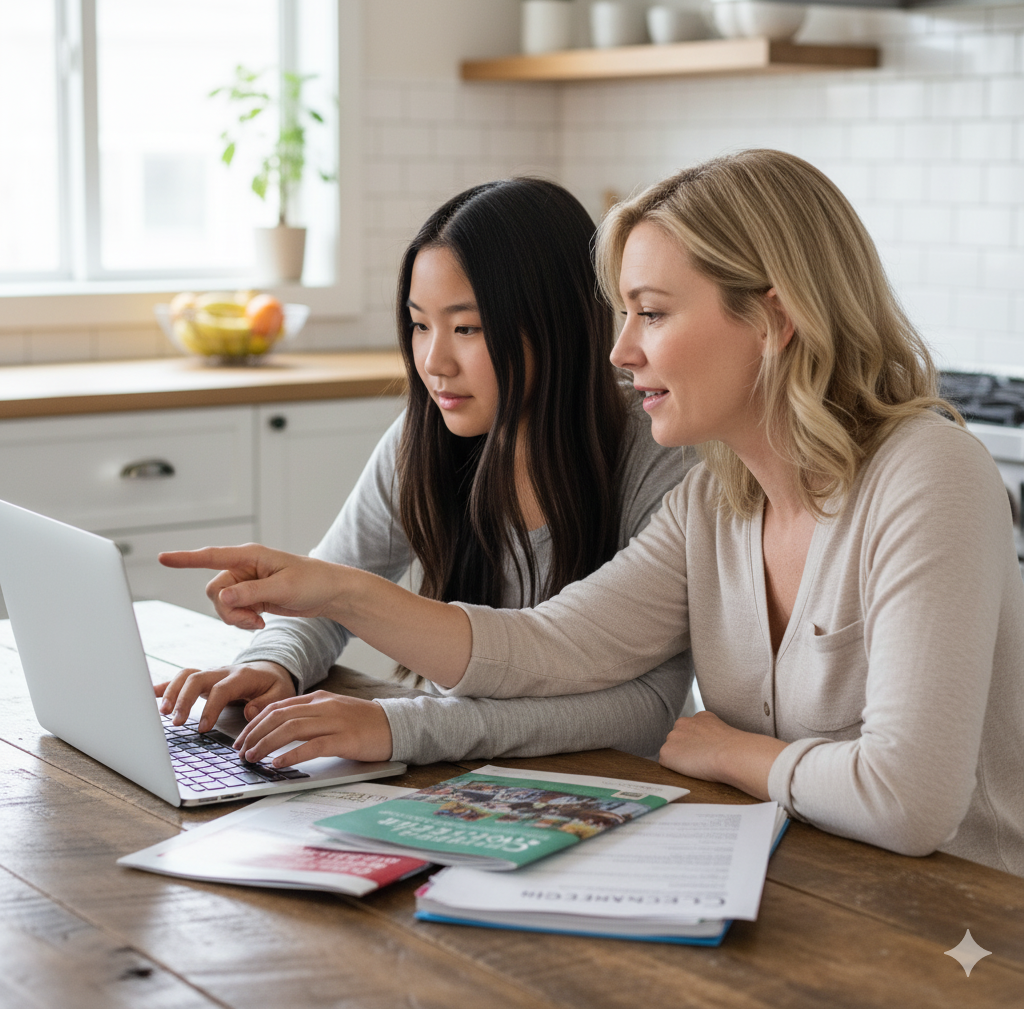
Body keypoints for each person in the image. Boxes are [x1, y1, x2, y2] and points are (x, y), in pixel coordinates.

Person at [162, 151, 1024, 877]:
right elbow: (549, 647)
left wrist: (732, 752)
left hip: (967, 926)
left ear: (773, 318)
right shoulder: (716, 499)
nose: (620, 350)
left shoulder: (927, 472)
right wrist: (335, 595)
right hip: (807, 880)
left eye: (651, 313)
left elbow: (908, 800)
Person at [157, 177, 696, 766]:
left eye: (467, 328)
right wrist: (270, 664)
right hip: (463, 778)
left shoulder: (659, 450)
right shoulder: (427, 437)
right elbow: (329, 591)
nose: (434, 363)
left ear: (558, 324)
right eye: (419, 324)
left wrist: (405, 726)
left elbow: (645, 709)